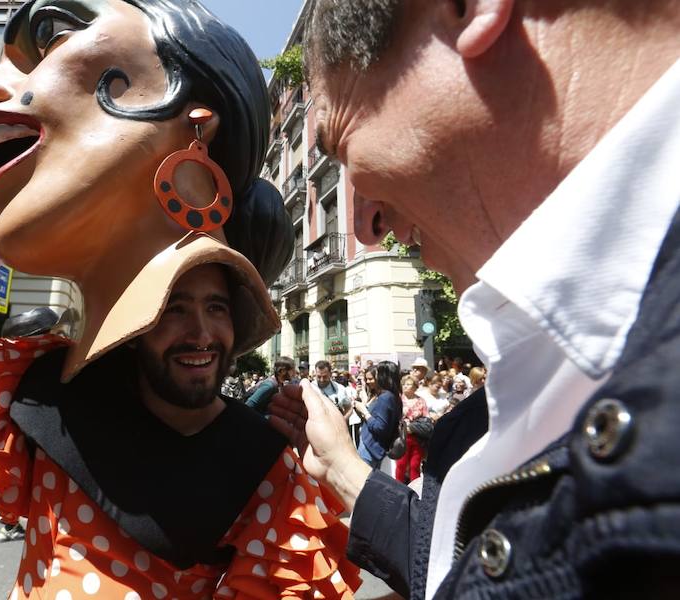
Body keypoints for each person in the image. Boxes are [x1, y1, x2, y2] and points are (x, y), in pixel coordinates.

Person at [0, 1, 359, 597]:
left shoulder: (266, 467)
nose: (201, 331)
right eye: (174, 308)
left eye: (217, 307)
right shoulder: (44, 397)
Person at [270, 0, 680, 598]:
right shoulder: (524, 380)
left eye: (342, 145)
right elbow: (458, 557)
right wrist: (342, 469)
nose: (366, 222)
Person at [353, 362, 402, 470]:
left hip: (370, 448)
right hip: (373, 447)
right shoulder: (392, 396)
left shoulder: (385, 397)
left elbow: (379, 427)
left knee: (364, 483)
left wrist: (364, 412)